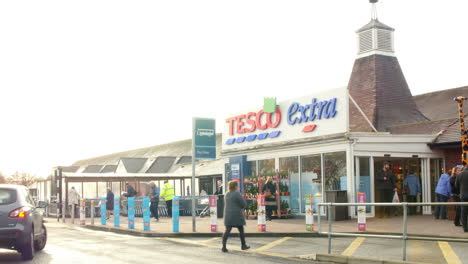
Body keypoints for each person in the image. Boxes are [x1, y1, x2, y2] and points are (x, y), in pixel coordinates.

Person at [222, 180, 249, 252]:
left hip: (228, 215)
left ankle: (223, 247)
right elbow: (243, 204)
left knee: (227, 231)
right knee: (241, 230)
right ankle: (243, 245)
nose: (238, 186)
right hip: (237, 215)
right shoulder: (237, 193)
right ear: (235, 186)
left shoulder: (226, 194)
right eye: (237, 185)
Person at [456, 165, 468, 232]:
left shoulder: (460, 174)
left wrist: (460, 191)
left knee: (463, 212)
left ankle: (465, 228)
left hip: (463, 195)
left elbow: (456, 185)